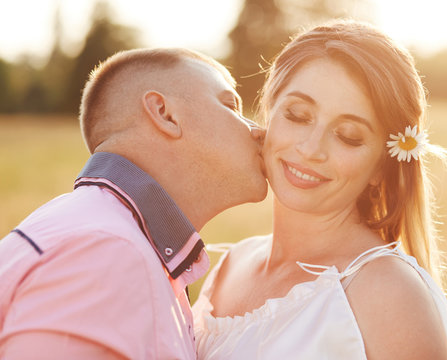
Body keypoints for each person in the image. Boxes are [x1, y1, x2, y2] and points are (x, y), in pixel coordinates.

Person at [193, 20, 447, 359]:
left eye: (348, 136)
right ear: (269, 113)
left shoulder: (386, 292)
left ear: (380, 167)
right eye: (297, 115)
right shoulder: (232, 265)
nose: (311, 149)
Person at [0, 48, 267, 359]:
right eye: (230, 105)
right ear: (165, 113)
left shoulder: (113, 239)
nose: (258, 131)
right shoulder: (107, 251)